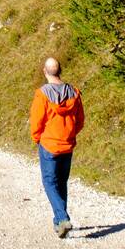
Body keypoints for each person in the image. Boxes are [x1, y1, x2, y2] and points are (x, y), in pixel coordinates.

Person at [30, 56, 85, 238]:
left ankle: (62, 218)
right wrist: (70, 134)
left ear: (44, 72)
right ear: (60, 70)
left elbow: (37, 121)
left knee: (49, 182)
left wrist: (37, 138)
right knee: (61, 182)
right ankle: (58, 222)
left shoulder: (42, 94)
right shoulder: (74, 93)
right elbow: (80, 121)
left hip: (49, 144)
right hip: (67, 144)